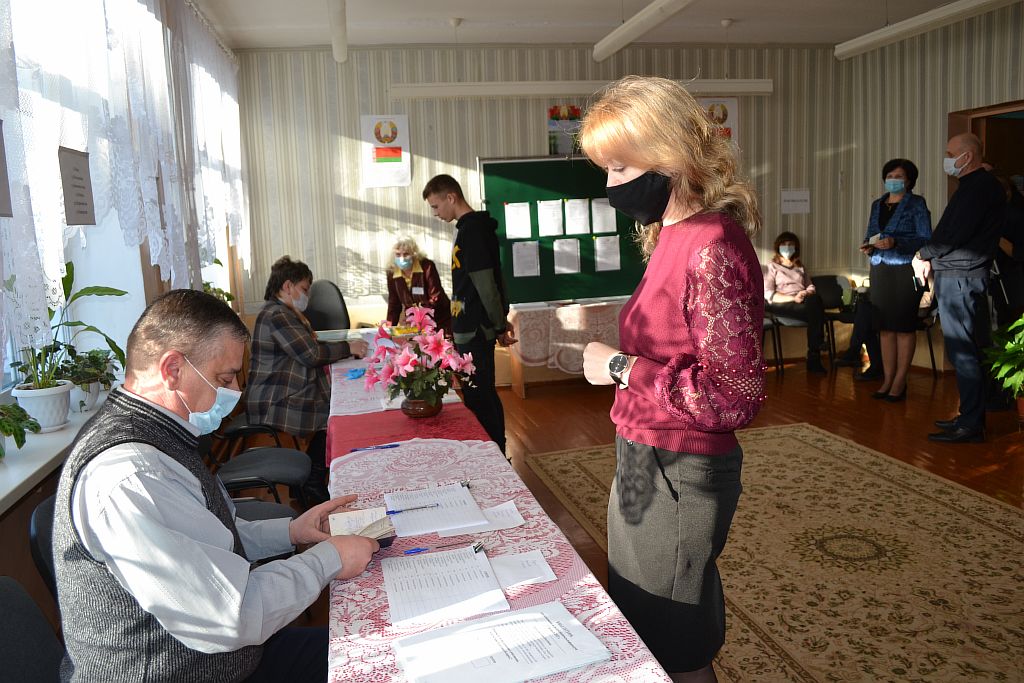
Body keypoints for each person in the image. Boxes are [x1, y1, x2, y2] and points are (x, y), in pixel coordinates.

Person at [52, 288, 379, 683]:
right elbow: (231, 616)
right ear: (173, 369)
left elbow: (207, 533)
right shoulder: (132, 475)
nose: (235, 391)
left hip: (225, 660)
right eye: (225, 377)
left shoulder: (160, 433)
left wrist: (292, 532)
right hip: (180, 671)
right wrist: (330, 560)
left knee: (375, 648)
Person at [578, 76, 765, 683]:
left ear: (670, 157)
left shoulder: (712, 243)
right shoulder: (670, 234)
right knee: (637, 611)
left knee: (672, 634)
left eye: (618, 167)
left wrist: (619, 366)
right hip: (641, 450)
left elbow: (733, 397)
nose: (610, 185)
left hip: (680, 465)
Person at [247, 256, 368, 502]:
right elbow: (311, 354)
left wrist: (346, 347)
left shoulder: (283, 312)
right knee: (334, 415)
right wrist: (348, 348)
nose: (307, 296)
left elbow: (310, 345)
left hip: (281, 390)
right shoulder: (276, 315)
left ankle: (305, 482)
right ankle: (311, 484)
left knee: (334, 404)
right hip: (274, 398)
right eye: (304, 289)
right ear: (287, 286)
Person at [913, 133, 1005, 443]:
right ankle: (968, 416)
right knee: (964, 348)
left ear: (967, 157)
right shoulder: (973, 186)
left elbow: (956, 234)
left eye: (951, 153)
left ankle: (971, 424)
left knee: (964, 351)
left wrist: (924, 253)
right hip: (957, 274)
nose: (947, 158)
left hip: (963, 278)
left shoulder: (979, 187)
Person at [422, 174, 517, 453]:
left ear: (451, 197)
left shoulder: (474, 230)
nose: (436, 213)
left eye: (436, 206)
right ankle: (491, 450)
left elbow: (487, 284)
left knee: (480, 395)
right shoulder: (466, 228)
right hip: (468, 326)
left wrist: (499, 325)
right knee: (478, 394)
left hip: (476, 329)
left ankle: (495, 453)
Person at [859, 158, 932, 402]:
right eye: (890, 176)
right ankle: (887, 379)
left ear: (909, 180)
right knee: (885, 328)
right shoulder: (877, 204)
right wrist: (869, 246)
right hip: (880, 268)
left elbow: (925, 238)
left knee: (903, 327)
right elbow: (871, 233)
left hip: (904, 269)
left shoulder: (916, 204)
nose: (893, 180)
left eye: (899, 177)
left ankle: (900, 381)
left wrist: (897, 242)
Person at [763, 231, 828, 374]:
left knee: (815, 299)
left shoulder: (800, 266)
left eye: (790, 245)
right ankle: (815, 353)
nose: (787, 247)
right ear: (778, 247)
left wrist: (806, 292)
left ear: (796, 248)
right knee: (816, 313)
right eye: (784, 244)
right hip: (781, 303)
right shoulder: (772, 267)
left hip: (802, 301)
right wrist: (794, 298)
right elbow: (768, 294)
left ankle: (815, 353)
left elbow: (810, 285)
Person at [386, 236, 452, 335]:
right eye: (398, 254)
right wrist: (389, 329)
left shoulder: (427, 266)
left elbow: (435, 297)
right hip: (414, 324)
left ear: (414, 254)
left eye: (406, 254)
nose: (402, 258)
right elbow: (394, 304)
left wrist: (420, 318)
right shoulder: (391, 272)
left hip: (439, 319)